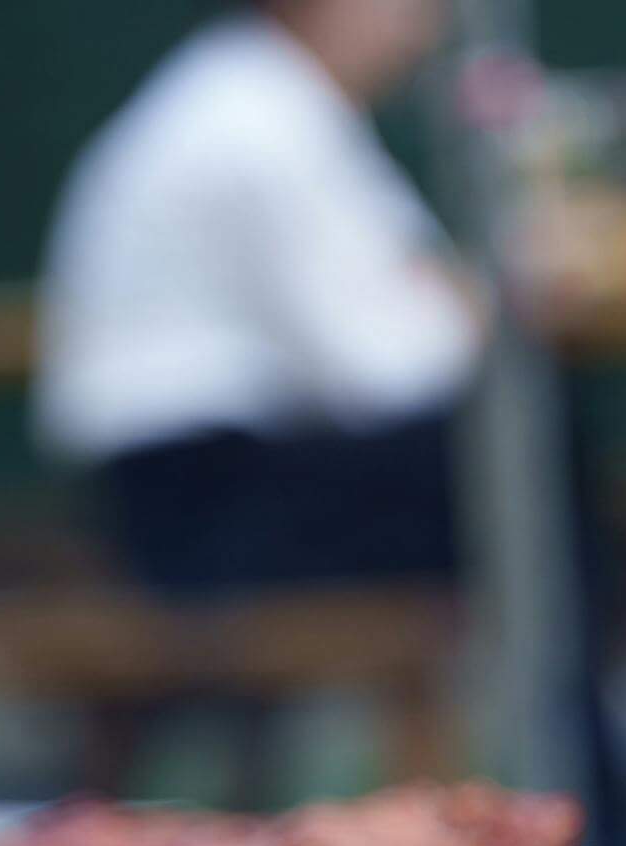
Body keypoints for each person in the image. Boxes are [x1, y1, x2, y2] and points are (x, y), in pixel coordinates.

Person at [35, 0, 483, 593]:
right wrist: (485, 311)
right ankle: (560, 683)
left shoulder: (254, 94)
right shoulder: (260, 119)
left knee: (511, 466)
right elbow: (387, 370)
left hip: (185, 485)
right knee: (521, 465)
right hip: (199, 503)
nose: (423, 30)